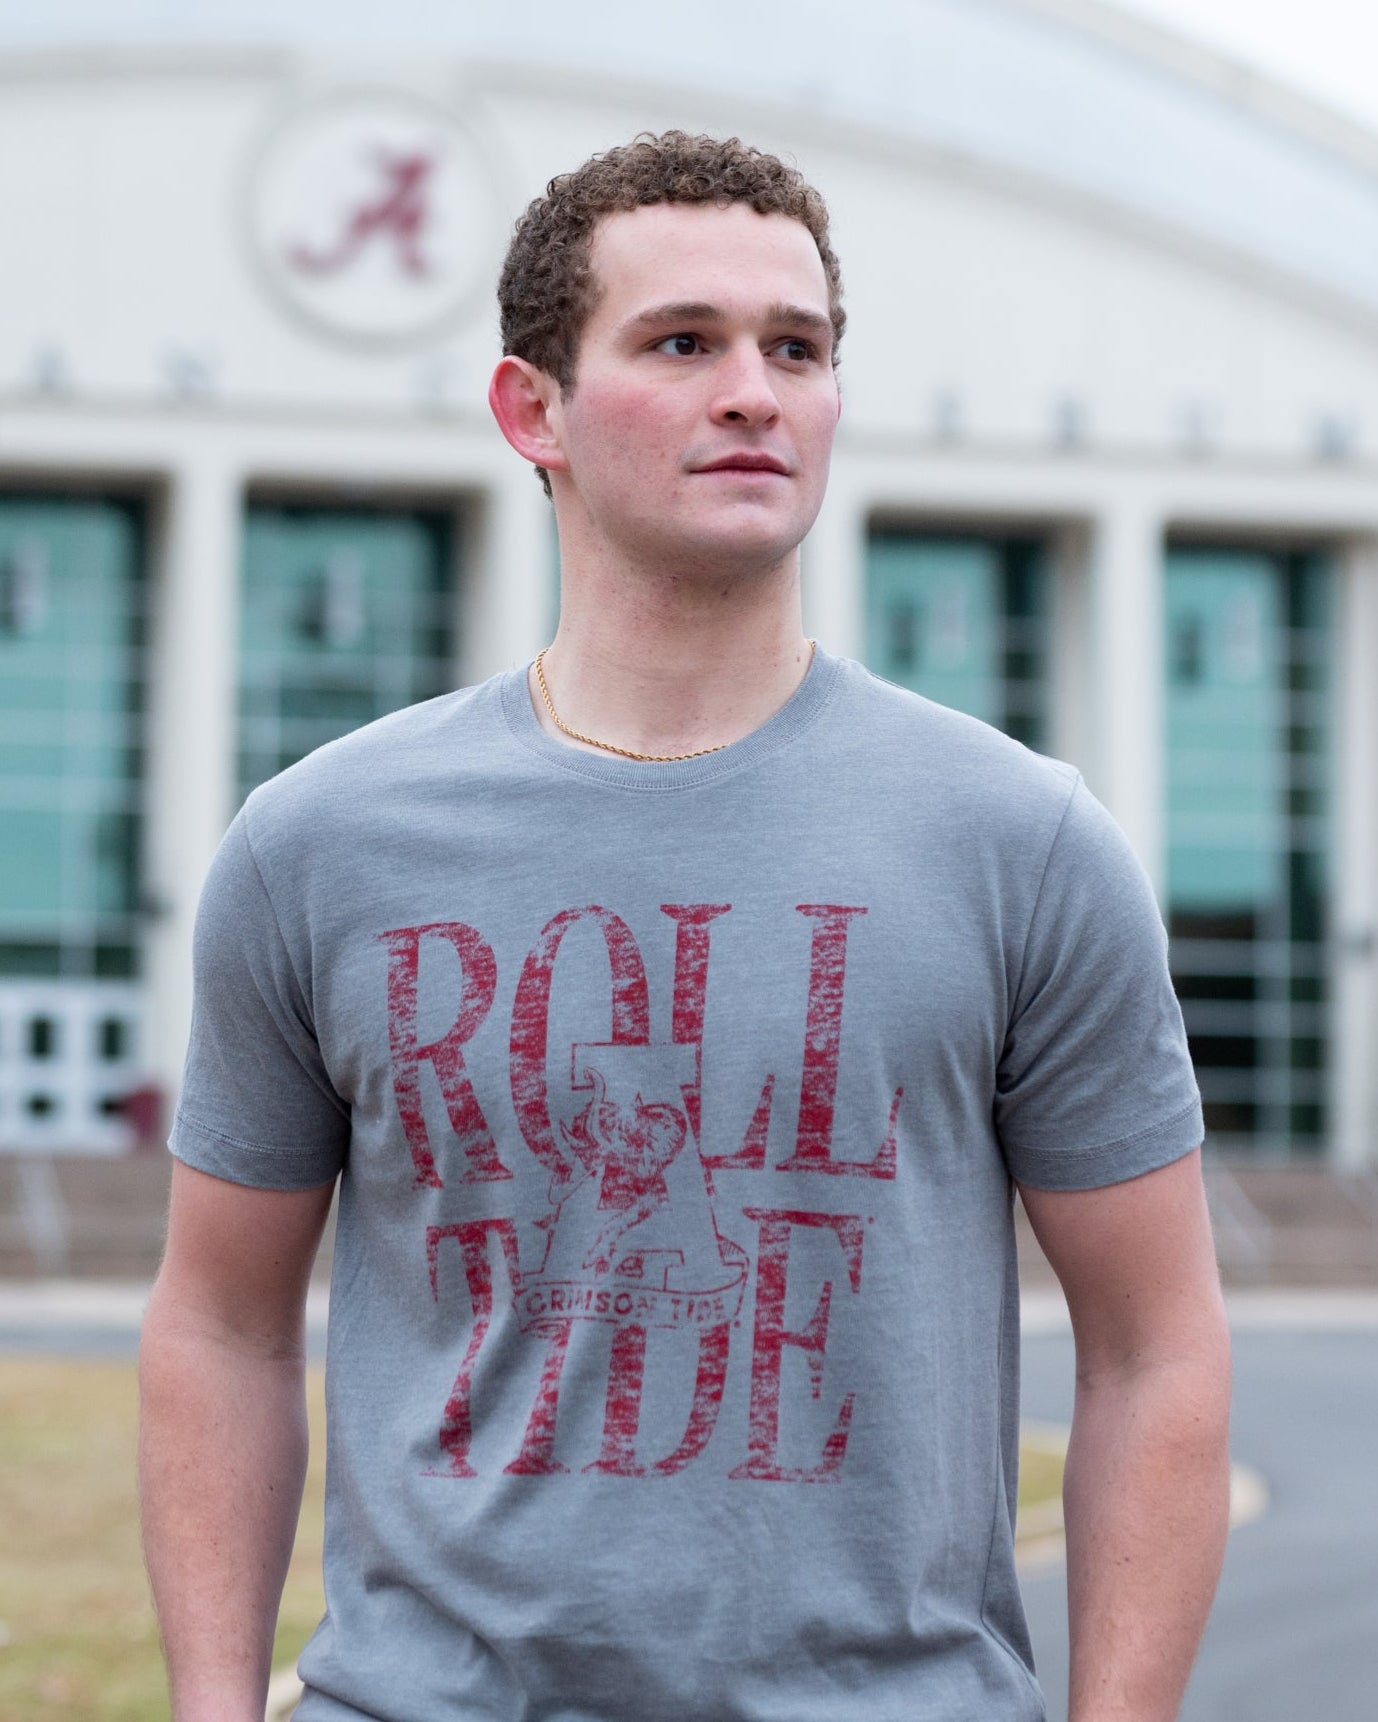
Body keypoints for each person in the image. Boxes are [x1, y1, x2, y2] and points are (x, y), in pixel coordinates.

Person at [140, 131, 1231, 1722]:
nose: (753, 392)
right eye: (681, 343)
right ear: (535, 412)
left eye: (796, 348)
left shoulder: (1017, 840)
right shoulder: (322, 844)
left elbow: (1157, 1346)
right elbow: (220, 1321)